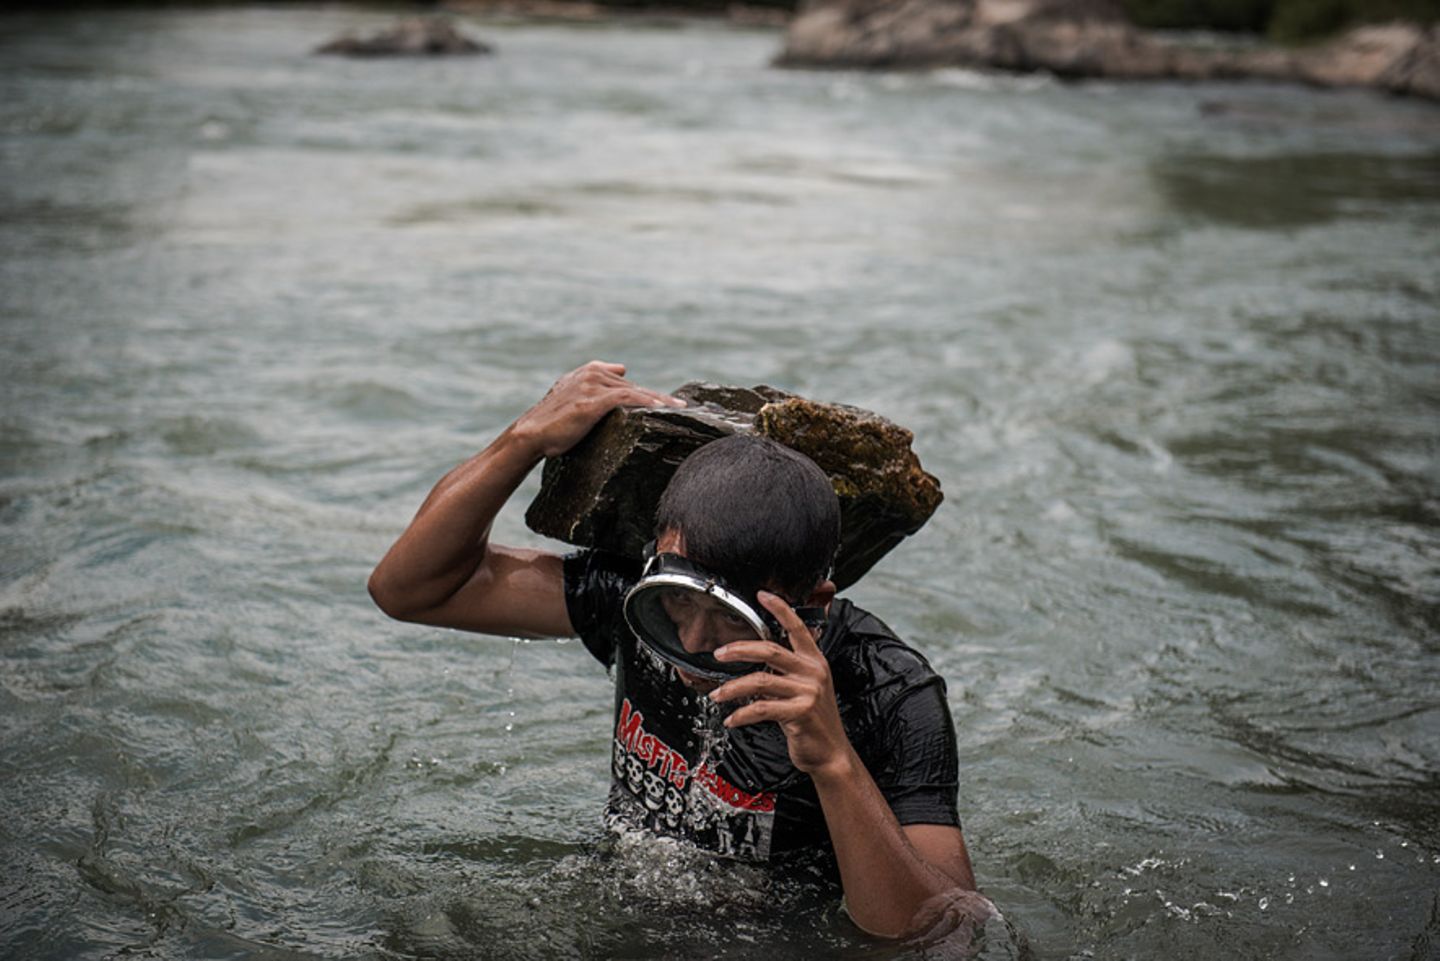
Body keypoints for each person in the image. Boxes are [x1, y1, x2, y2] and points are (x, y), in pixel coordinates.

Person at [368, 361, 984, 938]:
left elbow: (944, 932)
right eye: (679, 601)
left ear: (813, 600)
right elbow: (409, 589)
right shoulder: (639, 604)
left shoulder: (888, 692)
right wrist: (523, 440)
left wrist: (832, 760)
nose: (691, 642)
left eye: (729, 619)